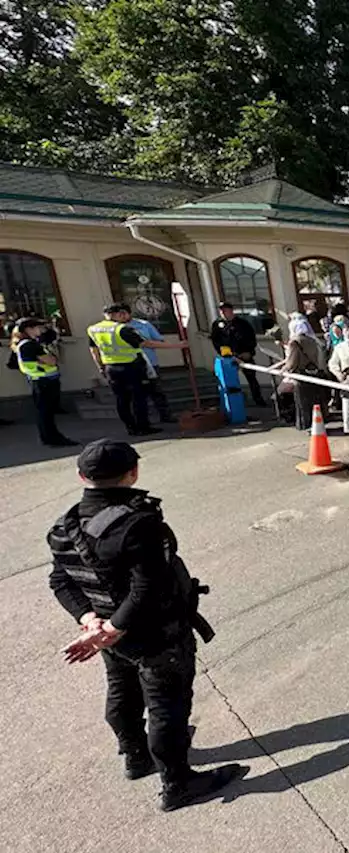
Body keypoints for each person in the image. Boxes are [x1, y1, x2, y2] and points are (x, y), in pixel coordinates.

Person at [47, 439, 245, 810]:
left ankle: (136, 756)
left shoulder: (64, 526)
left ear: (81, 476)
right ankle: (178, 784)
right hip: (154, 634)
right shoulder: (137, 523)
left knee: (122, 691)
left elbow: (61, 580)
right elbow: (148, 586)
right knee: (167, 706)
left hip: (109, 633)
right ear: (133, 473)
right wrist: (114, 627)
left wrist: (93, 622)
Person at [87, 303, 189, 436]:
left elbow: (93, 350)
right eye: (121, 314)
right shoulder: (122, 329)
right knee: (139, 398)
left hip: (111, 367)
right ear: (119, 314)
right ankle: (143, 426)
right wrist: (176, 345)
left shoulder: (93, 329)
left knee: (122, 400)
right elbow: (145, 343)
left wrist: (100, 367)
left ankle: (131, 427)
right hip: (131, 366)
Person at [11, 317, 76, 446]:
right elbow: (52, 360)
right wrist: (49, 356)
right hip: (44, 381)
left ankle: (48, 437)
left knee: (44, 412)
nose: (41, 330)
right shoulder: (30, 344)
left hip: (39, 380)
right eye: (38, 327)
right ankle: (53, 438)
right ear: (29, 329)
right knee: (46, 413)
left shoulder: (23, 343)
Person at [270, 318, 327, 431]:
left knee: (302, 402)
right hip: (312, 373)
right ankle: (317, 424)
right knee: (313, 401)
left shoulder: (294, 342)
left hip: (300, 374)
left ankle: (305, 424)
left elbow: (292, 362)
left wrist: (284, 369)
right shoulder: (312, 340)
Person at [119, 306, 173, 424]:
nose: (122, 316)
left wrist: (146, 342)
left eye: (124, 313)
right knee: (136, 395)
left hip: (150, 363)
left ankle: (166, 416)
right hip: (130, 365)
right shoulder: (115, 329)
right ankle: (142, 421)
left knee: (157, 391)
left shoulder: (144, 324)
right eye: (119, 314)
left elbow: (159, 340)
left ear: (129, 313)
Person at [210, 302, 267, 407]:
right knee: (229, 380)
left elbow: (251, 339)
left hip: (244, 354)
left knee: (251, 378)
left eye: (225, 310)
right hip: (228, 357)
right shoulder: (217, 325)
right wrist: (224, 354)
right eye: (221, 311)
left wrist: (249, 352)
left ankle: (258, 400)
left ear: (231, 311)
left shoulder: (242, 323)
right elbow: (215, 341)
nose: (222, 312)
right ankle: (234, 403)